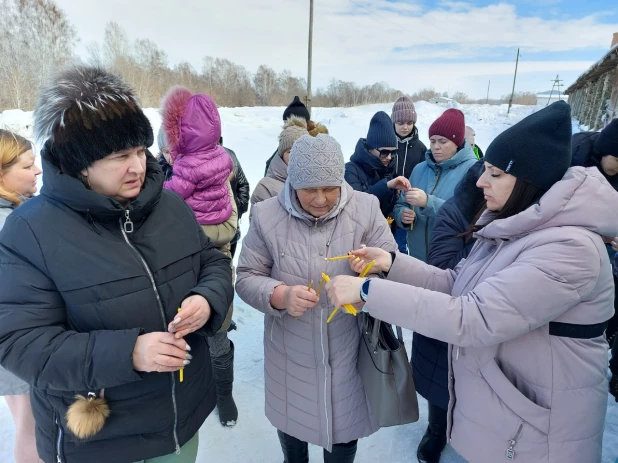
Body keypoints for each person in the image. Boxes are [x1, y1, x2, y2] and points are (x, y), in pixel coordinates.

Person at [326, 102, 618, 463]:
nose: (480, 182)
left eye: (495, 174)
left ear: (530, 182)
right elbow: (457, 283)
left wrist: (367, 291)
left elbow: (470, 317)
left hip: (538, 439)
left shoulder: (569, 248)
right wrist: (391, 264)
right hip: (503, 423)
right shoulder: (517, 226)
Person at [0, 66, 234, 463]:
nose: (138, 167)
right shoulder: (29, 231)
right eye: (119, 156)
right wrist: (128, 354)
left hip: (181, 423)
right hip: (102, 442)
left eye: (141, 151)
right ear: (80, 163)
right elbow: (20, 343)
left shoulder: (169, 206)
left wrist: (206, 298)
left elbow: (211, 260)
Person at [236, 134, 398, 463]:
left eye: (330, 187)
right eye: (310, 189)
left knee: (342, 438)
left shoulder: (366, 210)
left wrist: (368, 274)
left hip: (349, 353)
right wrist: (279, 295)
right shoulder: (267, 216)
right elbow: (245, 276)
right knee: (294, 435)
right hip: (290, 356)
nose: (321, 199)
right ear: (293, 183)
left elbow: (392, 266)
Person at [160, 86, 239, 427]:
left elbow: (232, 218)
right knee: (185, 336)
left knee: (217, 337)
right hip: (180, 271)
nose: (166, 154)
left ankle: (224, 394)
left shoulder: (182, 173)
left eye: (171, 146)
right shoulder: (220, 159)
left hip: (212, 260)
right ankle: (190, 397)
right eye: (161, 148)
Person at [412, 160, 485, 463]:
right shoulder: (455, 213)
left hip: (486, 321)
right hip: (446, 312)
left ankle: (475, 431)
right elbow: (444, 268)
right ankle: (436, 429)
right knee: (441, 377)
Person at [0, 129, 42, 463]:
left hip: (17, 345)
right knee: (32, 429)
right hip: (19, 345)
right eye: (28, 165)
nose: (38, 171)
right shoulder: (9, 223)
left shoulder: (19, 211)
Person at [394, 109, 477, 262]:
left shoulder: (473, 171)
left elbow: (470, 218)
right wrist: (402, 215)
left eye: (442, 141)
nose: (436, 147)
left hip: (450, 261)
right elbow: (401, 203)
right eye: (432, 141)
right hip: (416, 258)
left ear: (457, 142)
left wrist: (428, 202)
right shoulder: (419, 169)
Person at [571, 118, 618, 345]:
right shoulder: (573, 159)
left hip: (606, 248)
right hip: (570, 243)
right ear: (603, 151)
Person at [344, 111, 411, 243]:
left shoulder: (388, 168)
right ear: (370, 148)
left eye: (393, 152)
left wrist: (400, 214)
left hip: (384, 238)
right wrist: (386, 186)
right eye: (384, 152)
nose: (389, 157)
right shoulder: (350, 169)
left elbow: (390, 207)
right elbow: (355, 206)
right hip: (358, 240)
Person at [391, 97, 427, 253]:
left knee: (402, 247)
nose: (405, 127)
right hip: (387, 204)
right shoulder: (387, 144)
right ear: (393, 123)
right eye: (400, 123)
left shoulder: (420, 148)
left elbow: (424, 175)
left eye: (409, 123)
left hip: (408, 205)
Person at [251, 115, 308, 206]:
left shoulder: (317, 184)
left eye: (302, 151)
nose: (296, 156)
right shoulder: (266, 188)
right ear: (281, 155)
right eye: (290, 152)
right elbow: (259, 219)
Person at [264, 96, 328, 175]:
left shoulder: (320, 147)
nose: (286, 127)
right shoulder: (286, 142)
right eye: (285, 123)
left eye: (289, 123)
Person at [220, 136, 250, 258]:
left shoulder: (230, 155)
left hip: (230, 228)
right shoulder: (193, 160)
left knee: (226, 267)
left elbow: (243, 185)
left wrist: (236, 209)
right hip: (207, 234)